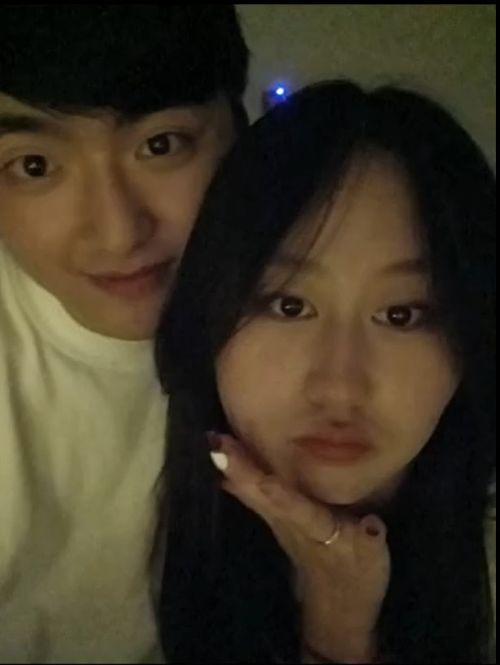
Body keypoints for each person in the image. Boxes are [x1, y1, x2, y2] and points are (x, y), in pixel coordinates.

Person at [155, 80, 496, 663]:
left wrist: (339, 635)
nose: (339, 385)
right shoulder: (125, 524)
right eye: (289, 305)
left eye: (402, 314)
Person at [0, 6, 248, 662]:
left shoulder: (312, 311)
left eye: (161, 145)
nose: (117, 232)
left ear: (240, 128)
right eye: (34, 166)